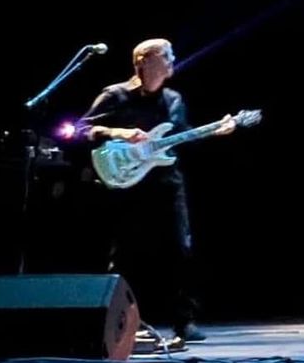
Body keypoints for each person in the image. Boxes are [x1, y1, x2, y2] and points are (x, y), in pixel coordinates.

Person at [80, 38, 234, 344]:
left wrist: (215, 130)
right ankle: (122, 323)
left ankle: (184, 322)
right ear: (144, 61)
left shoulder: (173, 99)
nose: (172, 60)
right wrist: (119, 132)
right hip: (126, 183)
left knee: (181, 249)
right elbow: (83, 129)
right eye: (166, 56)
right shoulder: (115, 95)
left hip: (166, 182)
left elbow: (182, 137)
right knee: (125, 255)